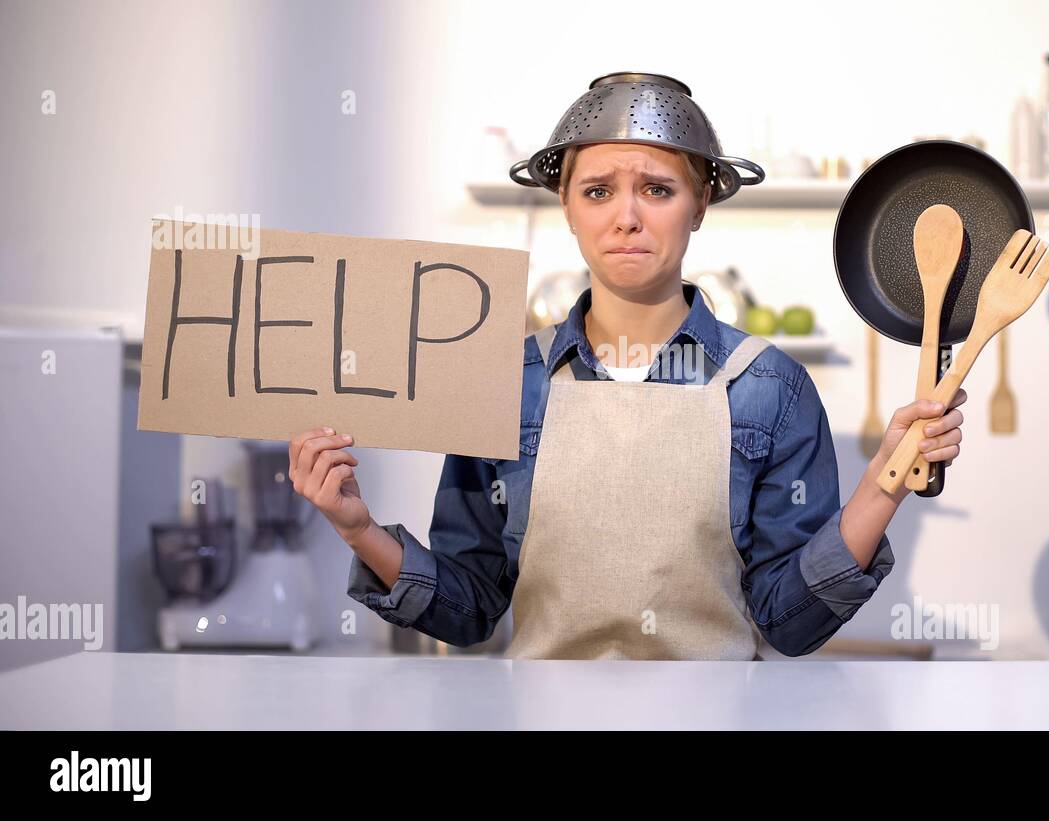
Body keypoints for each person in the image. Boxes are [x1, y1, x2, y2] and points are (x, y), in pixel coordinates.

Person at [288, 72, 966, 660]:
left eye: (658, 190)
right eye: (599, 191)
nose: (628, 218)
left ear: (701, 203)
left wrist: (883, 484)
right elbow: (469, 609)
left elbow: (789, 622)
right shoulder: (504, 381)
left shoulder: (770, 389)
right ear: (566, 205)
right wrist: (360, 529)